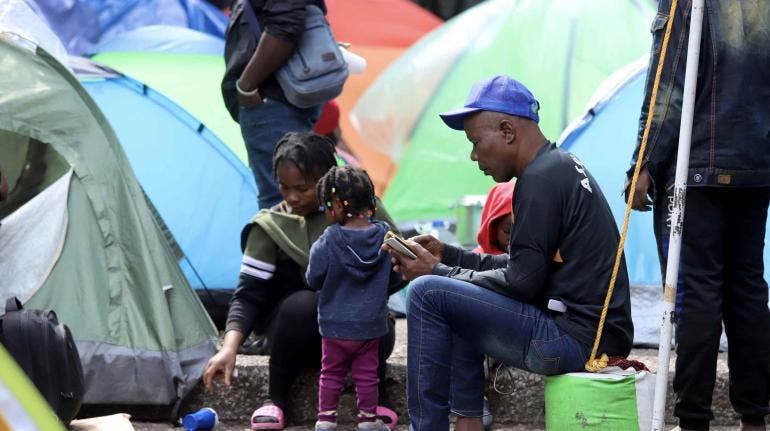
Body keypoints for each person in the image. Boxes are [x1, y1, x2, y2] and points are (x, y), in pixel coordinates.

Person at [384, 75, 634, 431]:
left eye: (475, 142)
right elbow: (526, 268)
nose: (473, 156)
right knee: (452, 294)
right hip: (592, 337)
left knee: (428, 293)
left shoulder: (540, 181)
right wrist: (450, 256)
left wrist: (435, 272)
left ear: (507, 130)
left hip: (575, 343)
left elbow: (521, 283)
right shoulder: (556, 166)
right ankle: (469, 422)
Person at [627, 2, 770, 430]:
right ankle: (755, 415)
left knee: (697, 291)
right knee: (747, 286)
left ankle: (692, 419)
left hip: (699, 166)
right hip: (756, 161)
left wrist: (645, 161)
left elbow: (668, 82)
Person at [203, 133, 402, 430]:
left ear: (327, 181)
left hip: (358, 329)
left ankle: (373, 404)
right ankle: (276, 400)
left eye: (303, 188)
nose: (292, 197)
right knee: (304, 302)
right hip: (297, 334)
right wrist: (230, 346)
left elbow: (400, 266)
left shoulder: (366, 213)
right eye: (284, 187)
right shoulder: (271, 226)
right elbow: (248, 294)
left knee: (376, 318)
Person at [307, 166, 399, 431]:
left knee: (331, 373)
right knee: (367, 375)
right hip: (370, 324)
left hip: (335, 326)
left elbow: (313, 278)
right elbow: (397, 276)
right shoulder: (386, 237)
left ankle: (326, 419)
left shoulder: (329, 240)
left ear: (335, 206)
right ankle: (368, 419)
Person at [222, 0, 327, 209]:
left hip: (271, 98)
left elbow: (285, 23)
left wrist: (246, 86)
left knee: (282, 205)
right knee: (293, 199)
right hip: (282, 94)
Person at [472, 181, 515, 255]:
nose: (512, 239)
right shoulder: (478, 259)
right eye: (507, 231)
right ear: (493, 227)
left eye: (521, 232)